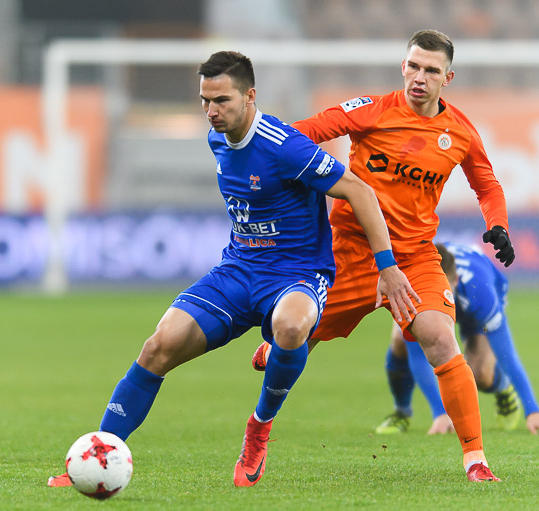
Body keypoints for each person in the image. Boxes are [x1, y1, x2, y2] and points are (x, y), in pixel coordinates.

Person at [47, 50, 417, 489]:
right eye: (205, 100)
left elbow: (360, 192)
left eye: (221, 100)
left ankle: (259, 427)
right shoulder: (217, 138)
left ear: (250, 96)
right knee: (158, 346)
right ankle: (98, 455)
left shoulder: (285, 146)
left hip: (297, 273)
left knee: (292, 327)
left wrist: (387, 267)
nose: (211, 111)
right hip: (238, 270)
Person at [252, 29, 515, 482]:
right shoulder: (370, 110)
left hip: (414, 258)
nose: (420, 77)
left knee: (440, 338)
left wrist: (498, 223)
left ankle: (476, 460)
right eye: (413, 66)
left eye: (431, 70)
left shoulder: (460, 132)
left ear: (447, 78)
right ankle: (268, 385)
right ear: (403, 67)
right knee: (298, 338)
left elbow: (487, 185)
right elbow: (302, 133)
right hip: (350, 254)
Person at [376, 242, 539, 437]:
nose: (436, 298)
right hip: (426, 291)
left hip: (478, 294)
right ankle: (401, 412)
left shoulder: (481, 293)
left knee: (480, 374)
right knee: (399, 341)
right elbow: (417, 354)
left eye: (442, 289)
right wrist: (441, 413)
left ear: (455, 281)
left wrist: (533, 411)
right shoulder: (417, 287)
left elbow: (506, 353)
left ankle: (504, 388)